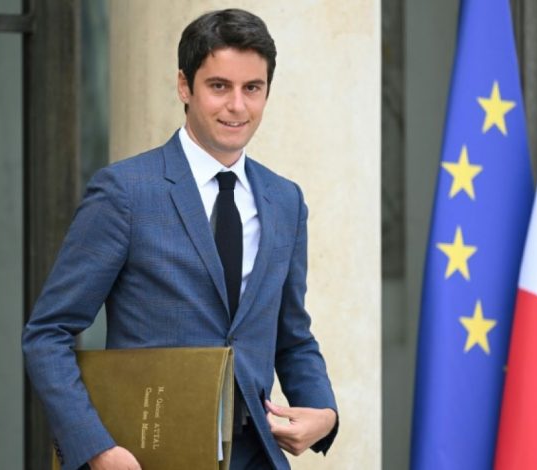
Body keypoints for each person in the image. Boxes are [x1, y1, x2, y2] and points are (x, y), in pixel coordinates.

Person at [22, 8, 337, 470]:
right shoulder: (125, 192)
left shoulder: (285, 200)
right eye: (219, 86)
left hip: (257, 456)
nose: (237, 106)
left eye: (252, 88)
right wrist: (96, 449)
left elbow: (292, 337)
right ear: (184, 86)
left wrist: (324, 411)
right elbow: (47, 335)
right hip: (149, 455)